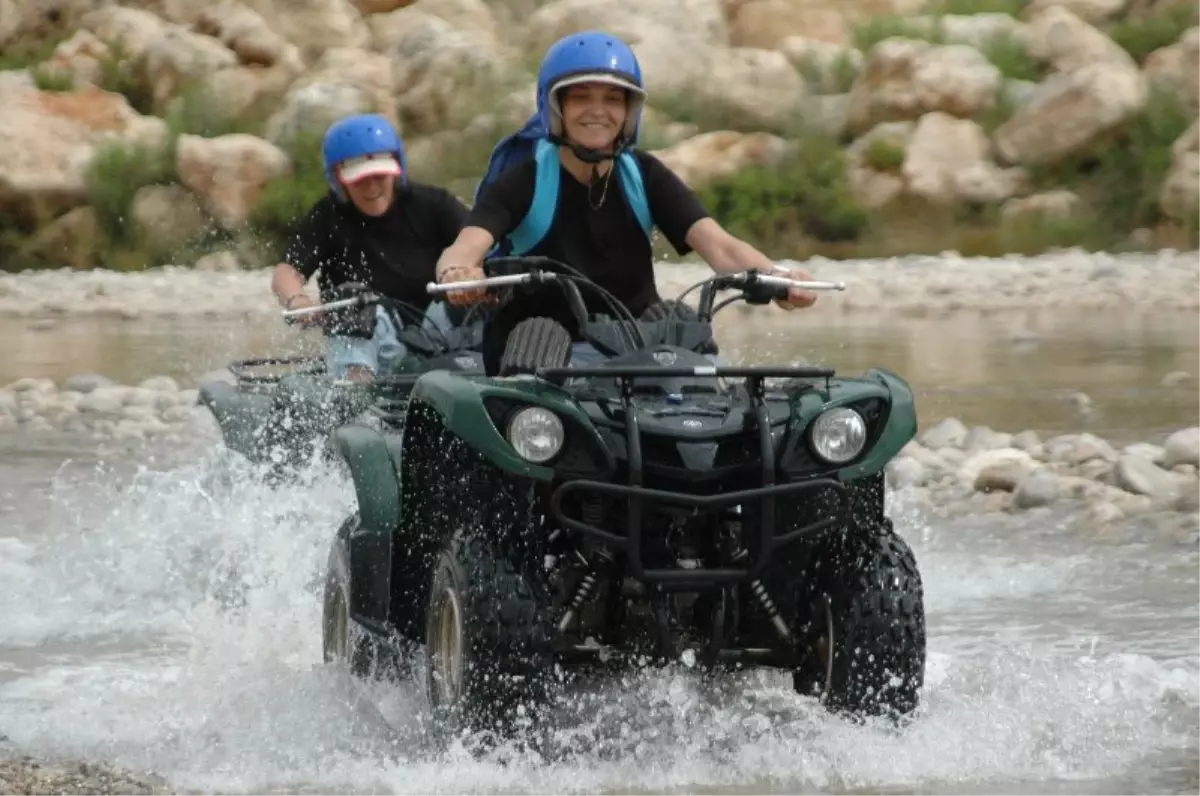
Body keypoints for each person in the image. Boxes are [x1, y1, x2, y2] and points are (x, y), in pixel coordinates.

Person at [432, 30, 819, 366]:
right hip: (543, 353)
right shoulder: (525, 180)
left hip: (635, 350)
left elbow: (720, 246)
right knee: (541, 334)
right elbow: (465, 246)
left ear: (629, 111)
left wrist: (778, 277)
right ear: (557, 109)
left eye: (613, 99)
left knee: (679, 321)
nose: (598, 111)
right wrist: (459, 273)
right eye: (581, 98)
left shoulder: (645, 174)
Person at [270, 113, 473, 382]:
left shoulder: (434, 204)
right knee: (352, 304)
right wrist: (297, 301)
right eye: (360, 179)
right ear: (339, 179)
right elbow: (287, 271)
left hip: (440, 332)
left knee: (467, 301)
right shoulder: (327, 217)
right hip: (371, 338)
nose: (372, 186)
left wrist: (469, 277)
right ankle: (356, 392)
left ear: (395, 169)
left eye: (380, 175)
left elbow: (476, 245)